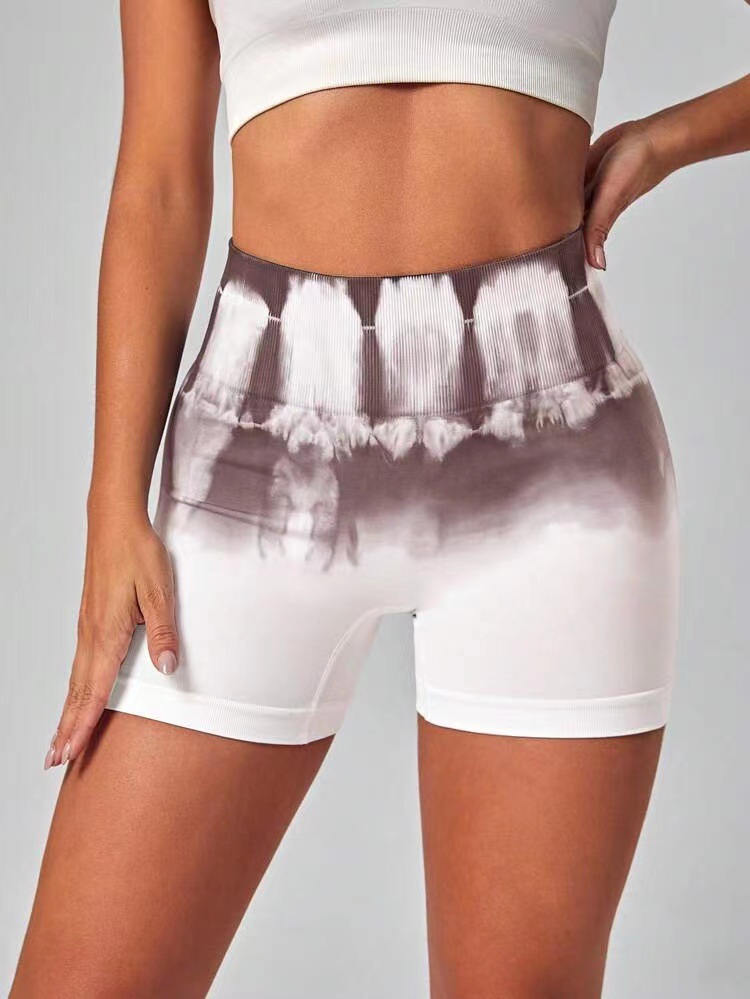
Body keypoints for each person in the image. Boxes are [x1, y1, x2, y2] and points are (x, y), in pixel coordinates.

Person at [10, 1, 750, 995]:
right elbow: (158, 182)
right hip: (253, 459)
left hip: (555, 452)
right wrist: (112, 503)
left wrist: (668, 139)